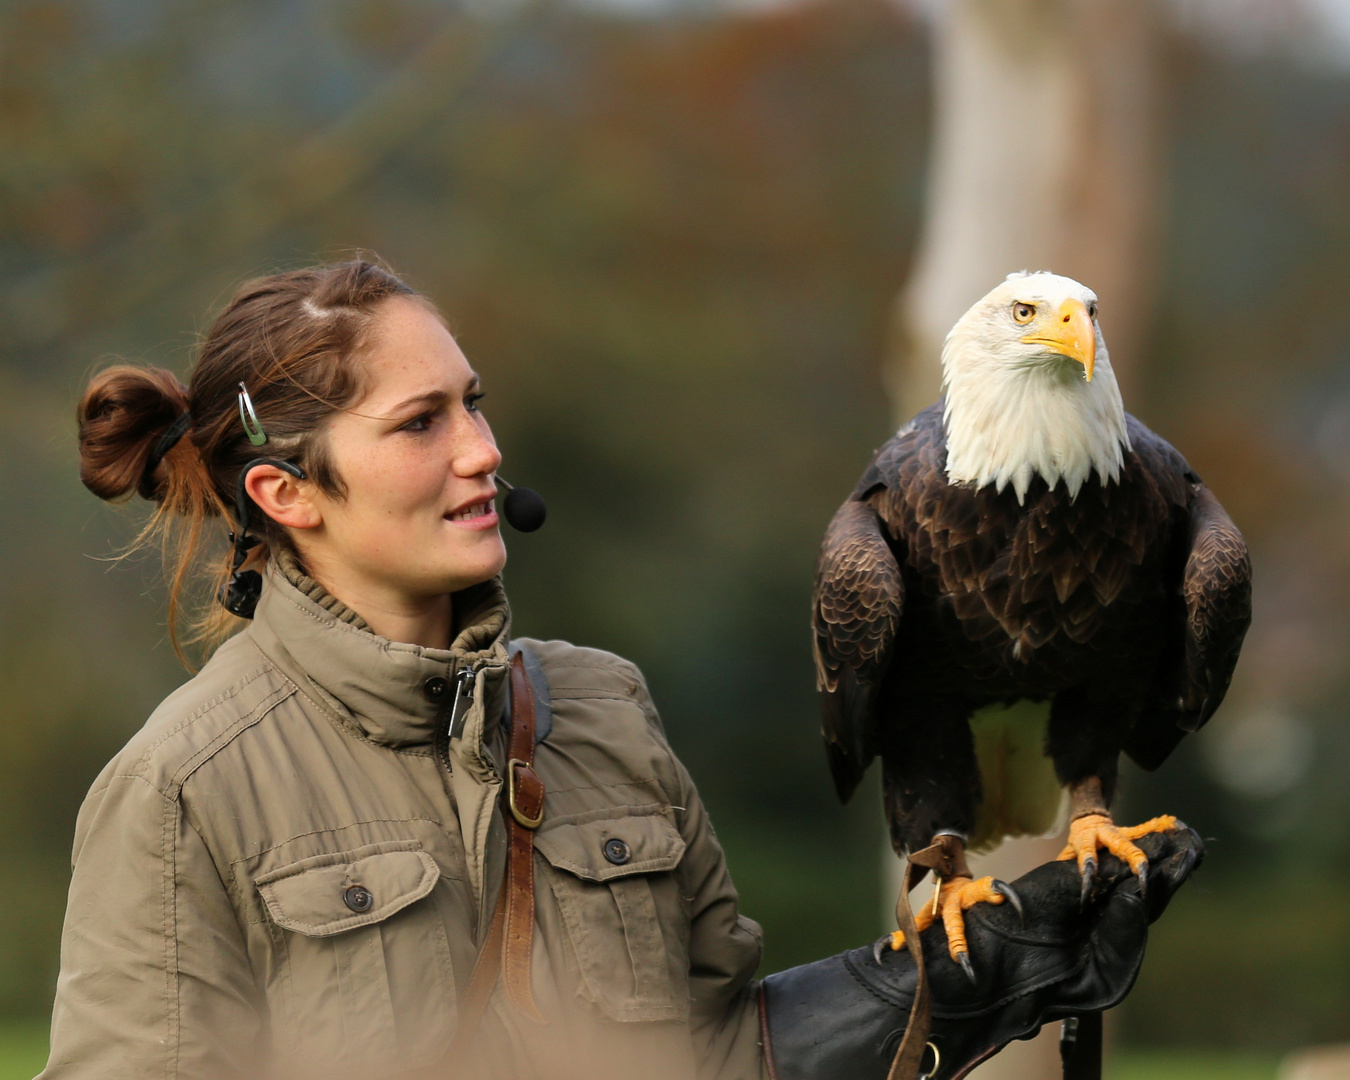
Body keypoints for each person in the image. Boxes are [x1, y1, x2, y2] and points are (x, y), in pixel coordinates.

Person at [41, 259, 1200, 1080]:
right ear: (285, 494)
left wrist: (958, 984)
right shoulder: (186, 791)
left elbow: (719, 1056)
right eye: (420, 424)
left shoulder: (599, 713)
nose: (484, 450)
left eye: (476, 405)